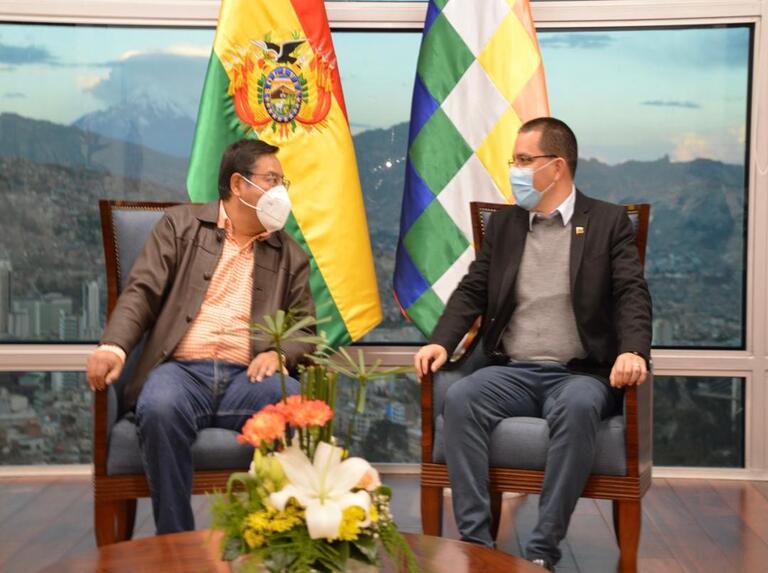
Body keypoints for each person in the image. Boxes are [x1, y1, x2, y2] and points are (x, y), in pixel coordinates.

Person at [413, 117, 652, 571]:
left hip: (580, 373)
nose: (514, 170)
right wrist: (442, 342)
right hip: (512, 370)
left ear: (556, 166)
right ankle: (477, 546)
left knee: (579, 406)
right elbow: (472, 289)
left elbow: (631, 293)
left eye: (524, 160)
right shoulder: (506, 224)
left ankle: (542, 550)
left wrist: (633, 351)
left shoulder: (606, 221)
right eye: (514, 160)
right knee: (462, 397)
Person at [86, 139, 315, 534]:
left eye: (283, 182)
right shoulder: (181, 225)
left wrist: (281, 355)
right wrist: (113, 346)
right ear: (239, 184)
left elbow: (306, 331)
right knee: (159, 407)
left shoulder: (289, 253)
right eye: (272, 180)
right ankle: (175, 545)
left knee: (296, 407)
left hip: (250, 378)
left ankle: (281, 540)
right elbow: (141, 292)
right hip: (180, 372)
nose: (281, 192)